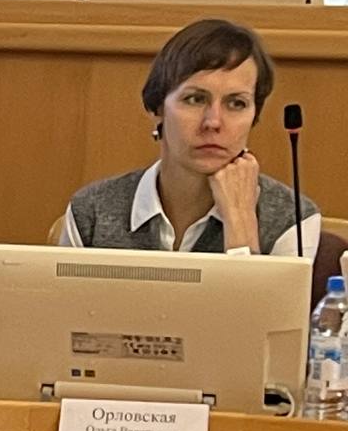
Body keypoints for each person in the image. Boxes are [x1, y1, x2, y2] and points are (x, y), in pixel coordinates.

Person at [61, 17, 323, 255]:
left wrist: (240, 221)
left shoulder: (293, 220)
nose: (213, 122)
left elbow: (259, 297)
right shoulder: (92, 212)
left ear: (254, 115)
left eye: (236, 104)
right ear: (157, 107)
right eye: (195, 99)